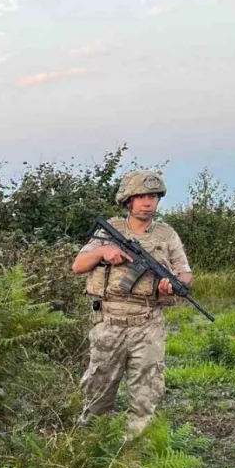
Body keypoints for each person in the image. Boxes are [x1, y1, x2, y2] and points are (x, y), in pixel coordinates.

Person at [71, 170, 193, 437]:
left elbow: (185, 273)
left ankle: (134, 453)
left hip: (148, 324)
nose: (147, 203)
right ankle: (91, 445)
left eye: (153, 197)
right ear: (128, 200)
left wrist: (174, 284)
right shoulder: (110, 231)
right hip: (109, 322)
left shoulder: (166, 235)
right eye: (140, 197)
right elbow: (78, 265)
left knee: (146, 393)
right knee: (98, 390)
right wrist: (104, 251)